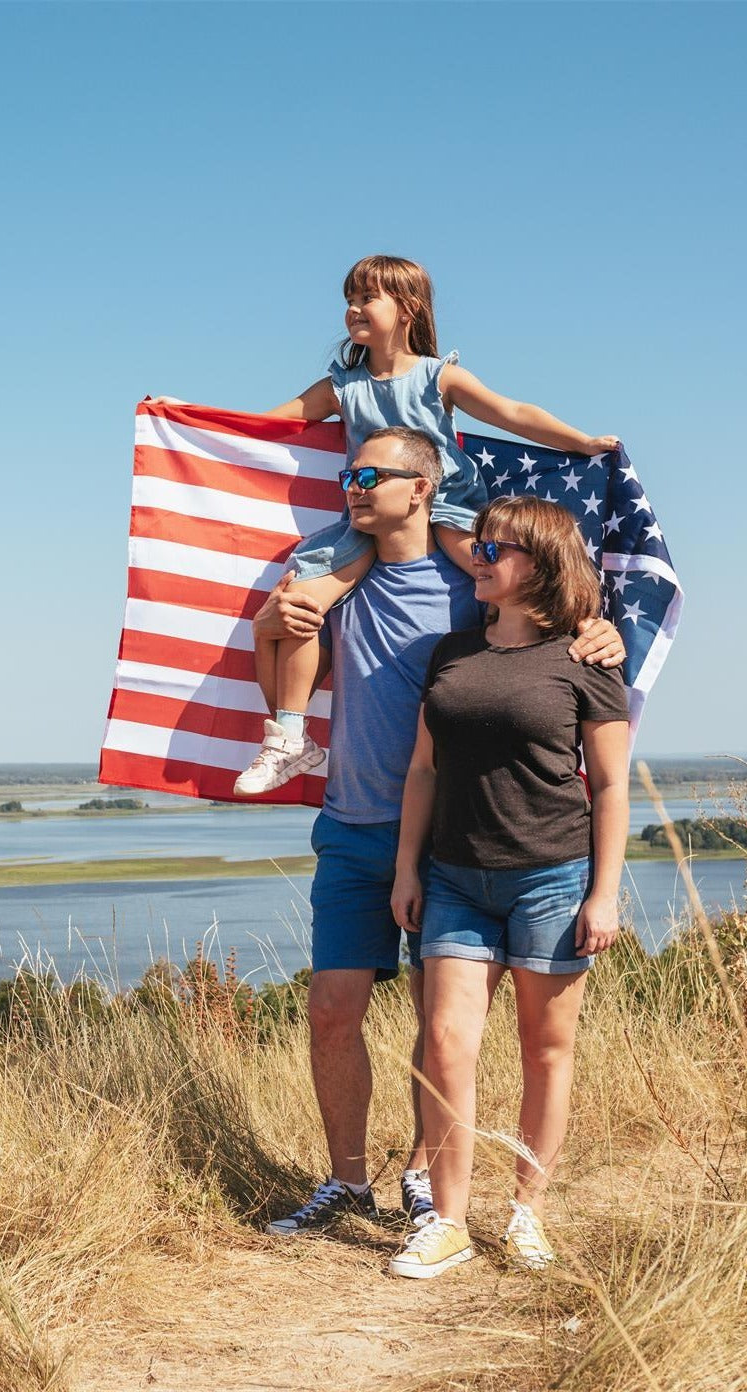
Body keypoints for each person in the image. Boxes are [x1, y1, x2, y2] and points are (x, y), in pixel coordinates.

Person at [260, 429, 624, 1238]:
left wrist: (605, 631)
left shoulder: (471, 585)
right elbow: (282, 661)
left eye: (369, 474)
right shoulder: (331, 580)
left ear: (422, 489)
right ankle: (347, 1184)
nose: (352, 487)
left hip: (453, 837)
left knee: (446, 1028)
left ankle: (426, 1181)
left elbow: (547, 624)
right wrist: (268, 622)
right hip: (354, 827)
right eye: (347, 474)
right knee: (332, 1009)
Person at [228, 253, 619, 800]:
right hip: (370, 517)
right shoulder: (343, 385)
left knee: (498, 569)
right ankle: (291, 736)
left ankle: (583, 624)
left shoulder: (439, 377)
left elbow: (513, 413)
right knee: (304, 602)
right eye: (350, 298)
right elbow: (273, 421)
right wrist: (187, 415)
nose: (353, 308)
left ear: (407, 309)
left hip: (449, 508)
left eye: (367, 298)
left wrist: (579, 441)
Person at [386, 496, 629, 1279]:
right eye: (480, 545)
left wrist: (604, 893)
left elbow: (612, 788)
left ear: (544, 565)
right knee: (448, 1045)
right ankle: (449, 1223)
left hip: (552, 881)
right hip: (454, 879)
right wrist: (405, 870)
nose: (481, 557)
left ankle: (527, 1212)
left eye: (499, 549)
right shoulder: (450, 654)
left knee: (545, 1051)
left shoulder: (586, 661)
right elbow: (422, 770)